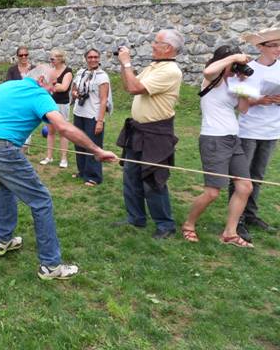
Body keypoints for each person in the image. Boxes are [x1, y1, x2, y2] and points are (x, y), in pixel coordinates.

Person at [0, 65, 117, 280]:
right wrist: (96, 150)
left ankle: (3, 240)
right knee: (41, 200)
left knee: (7, 186)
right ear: (41, 81)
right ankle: (50, 265)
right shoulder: (39, 94)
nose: (55, 88)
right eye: (53, 83)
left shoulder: (5, 86)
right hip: (0, 152)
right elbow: (63, 127)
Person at [181, 46, 254, 248]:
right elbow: (208, 71)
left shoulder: (233, 82)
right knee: (213, 192)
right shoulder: (211, 80)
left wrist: (243, 86)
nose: (236, 67)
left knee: (245, 187)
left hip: (233, 138)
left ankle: (230, 233)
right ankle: (188, 225)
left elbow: (244, 109)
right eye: (234, 64)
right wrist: (233, 58)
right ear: (225, 60)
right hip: (213, 139)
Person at [115, 29, 184, 239]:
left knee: (153, 180)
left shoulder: (171, 71)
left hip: (156, 134)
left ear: (168, 48)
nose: (152, 45)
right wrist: (122, 65)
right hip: (138, 130)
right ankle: (135, 217)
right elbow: (129, 85)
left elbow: (136, 88)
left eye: (157, 42)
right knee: (131, 176)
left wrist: (127, 63)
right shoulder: (155, 66)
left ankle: (165, 225)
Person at [229, 26, 280, 242]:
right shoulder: (248, 69)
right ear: (261, 47)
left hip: (272, 129)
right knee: (242, 176)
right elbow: (236, 97)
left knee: (257, 175)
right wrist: (258, 100)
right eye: (274, 45)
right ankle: (236, 220)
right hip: (248, 129)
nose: (278, 49)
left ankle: (250, 215)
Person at [71, 48, 111, 186]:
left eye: (95, 57)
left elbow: (104, 99)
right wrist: (75, 93)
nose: (93, 59)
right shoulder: (81, 73)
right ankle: (82, 171)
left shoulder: (102, 76)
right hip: (79, 113)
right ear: (86, 58)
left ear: (99, 58)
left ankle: (94, 176)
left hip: (93, 115)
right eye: (90, 57)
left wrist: (100, 121)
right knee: (79, 143)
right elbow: (74, 89)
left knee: (93, 145)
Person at [40, 48, 72, 168]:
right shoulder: (50, 71)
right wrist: (53, 85)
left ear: (60, 59)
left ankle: (63, 158)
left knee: (63, 131)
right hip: (50, 103)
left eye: (52, 59)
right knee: (50, 131)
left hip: (62, 104)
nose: (51, 61)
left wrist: (52, 86)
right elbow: (44, 86)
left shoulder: (68, 71)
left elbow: (63, 88)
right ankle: (49, 156)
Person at [5, 46, 35, 151]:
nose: (23, 57)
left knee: (27, 129)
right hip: (15, 104)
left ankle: (22, 152)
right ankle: (14, 150)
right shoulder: (12, 70)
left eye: (26, 55)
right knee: (14, 127)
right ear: (17, 56)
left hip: (30, 104)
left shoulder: (34, 69)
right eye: (21, 55)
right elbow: (8, 86)